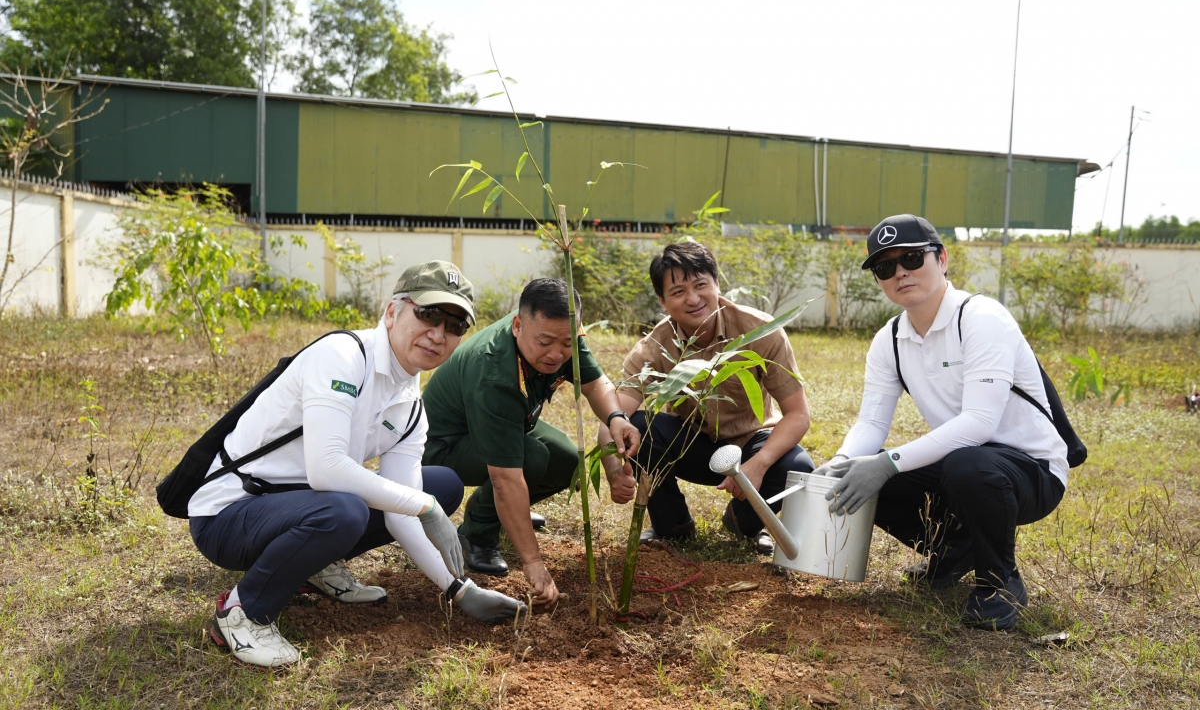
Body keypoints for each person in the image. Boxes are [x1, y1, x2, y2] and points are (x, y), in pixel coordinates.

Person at [188, 261, 527, 668]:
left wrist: (459, 589)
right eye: (428, 314)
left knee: (440, 485)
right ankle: (244, 613)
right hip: (228, 515)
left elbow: (400, 515)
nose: (438, 334)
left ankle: (313, 565)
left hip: (296, 507)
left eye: (455, 325)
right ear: (392, 312)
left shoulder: (410, 405)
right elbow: (326, 468)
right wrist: (425, 507)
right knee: (351, 510)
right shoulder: (343, 357)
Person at [815, 214, 1067, 630]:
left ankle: (999, 582)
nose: (900, 272)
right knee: (867, 474)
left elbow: (980, 423)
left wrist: (886, 463)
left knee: (960, 464)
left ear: (942, 258)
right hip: (965, 464)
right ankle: (956, 548)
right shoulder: (889, 340)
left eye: (912, 258)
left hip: (1032, 471)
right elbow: (872, 423)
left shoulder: (981, 317)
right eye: (885, 267)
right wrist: (842, 462)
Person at [421, 277, 641, 608]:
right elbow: (505, 479)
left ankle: (508, 515)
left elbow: (595, 384)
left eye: (567, 343)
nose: (556, 354)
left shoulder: (561, 331)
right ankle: (477, 534)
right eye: (545, 342)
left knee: (568, 462)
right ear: (517, 325)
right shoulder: (493, 371)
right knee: (532, 458)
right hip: (444, 446)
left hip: (503, 425)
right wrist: (534, 564)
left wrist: (616, 418)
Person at [599, 241, 814, 554]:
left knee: (798, 466)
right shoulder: (653, 347)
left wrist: (759, 463)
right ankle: (673, 526)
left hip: (751, 442)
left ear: (717, 284)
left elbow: (798, 414)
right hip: (690, 443)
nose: (693, 299)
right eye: (678, 291)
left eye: (701, 285)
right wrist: (613, 471)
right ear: (662, 302)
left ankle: (743, 522)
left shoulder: (760, 331)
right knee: (639, 426)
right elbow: (613, 417)